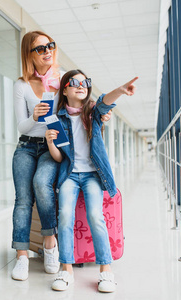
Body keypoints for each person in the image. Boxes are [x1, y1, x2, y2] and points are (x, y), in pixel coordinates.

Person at [11, 31, 111, 281]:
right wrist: (34, 117)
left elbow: (81, 102)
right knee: (23, 199)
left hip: (52, 148)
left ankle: (49, 244)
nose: (47, 51)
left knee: (41, 184)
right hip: (26, 146)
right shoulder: (21, 85)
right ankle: (21, 256)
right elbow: (21, 127)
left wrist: (102, 115)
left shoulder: (60, 81)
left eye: (50, 46)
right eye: (40, 48)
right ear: (29, 54)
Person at [45, 69, 137, 292]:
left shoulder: (93, 113)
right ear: (64, 90)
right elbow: (59, 157)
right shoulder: (57, 119)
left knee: (96, 215)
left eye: (85, 82)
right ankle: (65, 269)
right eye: (74, 82)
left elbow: (105, 101)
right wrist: (50, 143)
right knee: (64, 215)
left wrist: (121, 91)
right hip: (69, 175)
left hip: (93, 175)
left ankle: (106, 271)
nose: (81, 85)